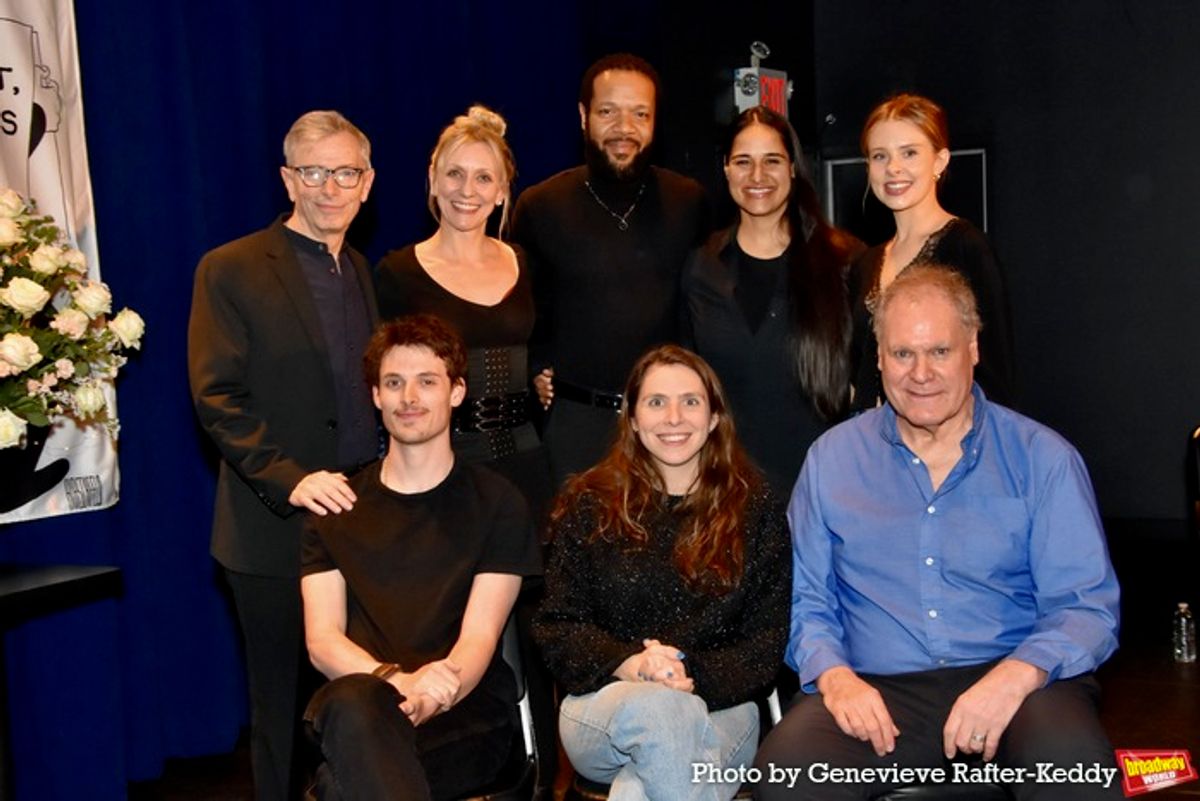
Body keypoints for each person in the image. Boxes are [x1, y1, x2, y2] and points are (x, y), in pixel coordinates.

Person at [754, 266, 1121, 800]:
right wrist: (835, 678)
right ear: (879, 359)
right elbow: (805, 601)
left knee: (1072, 769)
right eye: (903, 353)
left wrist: (1015, 676)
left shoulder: (1043, 459)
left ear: (973, 348)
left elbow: (1086, 608)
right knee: (788, 775)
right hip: (877, 687)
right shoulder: (832, 460)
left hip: (1018, 680)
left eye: (940, 351)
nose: (920, 373)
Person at [187, 110, 379, 801]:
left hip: (360, 522)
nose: (331, 187)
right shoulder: (231, 268)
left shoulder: (361, 270)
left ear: (368, 183)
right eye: (314, 172)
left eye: (346, 173)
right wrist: (291, 479)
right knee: (279, 707)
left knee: (357, 700)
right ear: (288, 180)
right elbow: (217, 396)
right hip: (271, 529)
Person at [301, 314, 541, 801]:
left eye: (427, 382)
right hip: (364, 701)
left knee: (341, 786)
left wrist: (433, 693)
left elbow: (479, 638)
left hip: (464, 711)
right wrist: (397, 682)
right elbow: (322, 641)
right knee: (354, 705)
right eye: (394, 383)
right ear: (376, 396)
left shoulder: (498, 503)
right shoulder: (336, 506)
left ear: (457, 392)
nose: (409, 398)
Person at [535, 344, 790, 801]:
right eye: (656, 402)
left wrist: (685, 673)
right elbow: (557, 627)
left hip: (722, 707)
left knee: (642, 783)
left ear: (714, 417)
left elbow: (765, 642)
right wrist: (635, 664)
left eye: (690, 401)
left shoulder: (755, 508)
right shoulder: (589, 503)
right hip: (604, 705)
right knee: (660, 711)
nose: (674, 418)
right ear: (632, 418)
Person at [512, 53, 708, 485]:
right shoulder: (541, 207)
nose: (624, 128)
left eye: (640, 114)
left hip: (669, 431)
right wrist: (535, 367)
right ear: (583, 117)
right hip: (574, 429)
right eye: (608, 112)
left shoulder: (690, 202)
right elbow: (517, 312)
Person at [376, 104, 552, 522]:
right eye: (454, 174)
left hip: (525, 466)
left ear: (502, 191)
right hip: (440, 471)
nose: (467, 191)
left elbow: (543, 345)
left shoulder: (524, 263)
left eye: (483, 178)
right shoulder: (397, 274)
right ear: (433, 180)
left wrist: (541, 374)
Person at [684, 105, 862, 498]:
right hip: (728, 497)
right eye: (743, 162)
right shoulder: (700, 268)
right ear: (726, 169)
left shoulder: (845, 262)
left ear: (793, 168)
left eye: (772, 161)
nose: (757, 175)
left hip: (826, 494)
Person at [849, 93, 1015, 412]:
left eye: (909, 153)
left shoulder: (966, 247)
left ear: (939, 161)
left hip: (949, 438)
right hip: (873, 436)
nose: (893, 168)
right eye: (880, 156)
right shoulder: (865, 263)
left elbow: (996, 377)